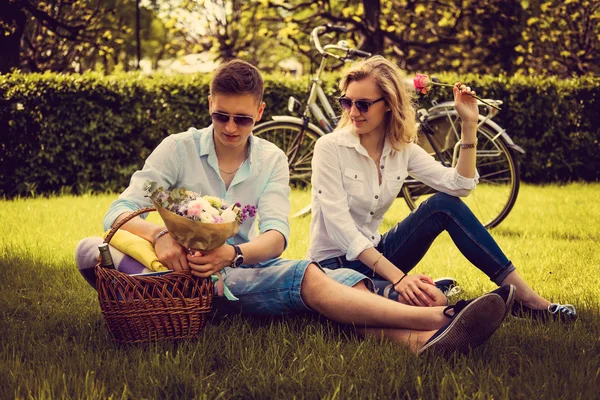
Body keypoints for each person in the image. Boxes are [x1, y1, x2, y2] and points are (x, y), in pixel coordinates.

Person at [75, 58, 514, 356]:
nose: (230, 127)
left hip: (241, 273)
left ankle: (423, 340)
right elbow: (120, 209)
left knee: (325, 279)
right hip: (178, 275)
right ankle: (444, 317)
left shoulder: (271, 159)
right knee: (88, 249)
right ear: (209, 106)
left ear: (260, 112)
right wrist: (159, 235)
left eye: (242, 119)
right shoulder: (177, 149)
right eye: (221, 116)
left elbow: (277, 236)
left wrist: (231, 253)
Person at [307, 55, 576, 322]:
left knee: (443, 205)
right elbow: (342, 230)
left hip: (379, 256)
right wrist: (399, 278)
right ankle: (440, 303)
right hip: (334, 269)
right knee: (430, 300)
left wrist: (469, 124)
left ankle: (525, 298)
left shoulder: (403, 151)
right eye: (347, 102)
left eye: (363, 105)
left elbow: (459, 186)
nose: (353, 112)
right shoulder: (330, 148)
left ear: (389, 104)